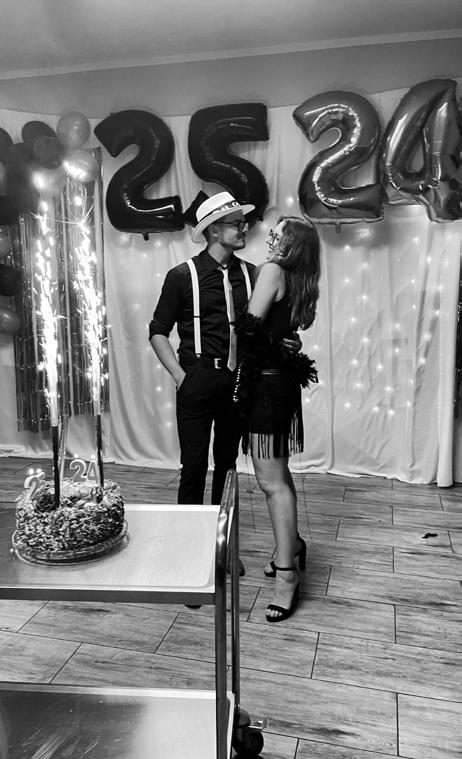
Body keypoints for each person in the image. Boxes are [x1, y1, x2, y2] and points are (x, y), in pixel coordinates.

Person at [234, 216, 320, 622]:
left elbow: (247, 329)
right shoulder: (300, 279)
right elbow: (279, 330)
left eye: (277, 234)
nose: (270, 239)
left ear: (291, 244)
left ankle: (287, 576)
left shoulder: (272, 270)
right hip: (280, 385)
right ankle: (292, 546)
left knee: (271, 483)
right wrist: (284, 344)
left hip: (267, 388)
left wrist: (273, 343)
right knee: (279, 477)